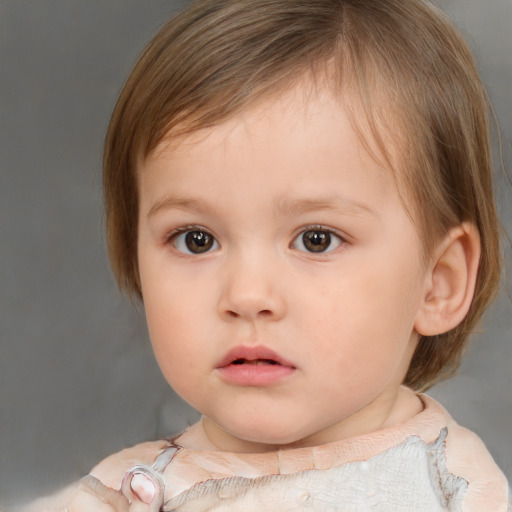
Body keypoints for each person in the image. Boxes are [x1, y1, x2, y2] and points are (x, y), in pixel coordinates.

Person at [25, 0, 510, 510]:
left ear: (438, 282)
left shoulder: (452, 489)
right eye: (196, 239)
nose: (247, 295)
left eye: (316, 239)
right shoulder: (121, 494)